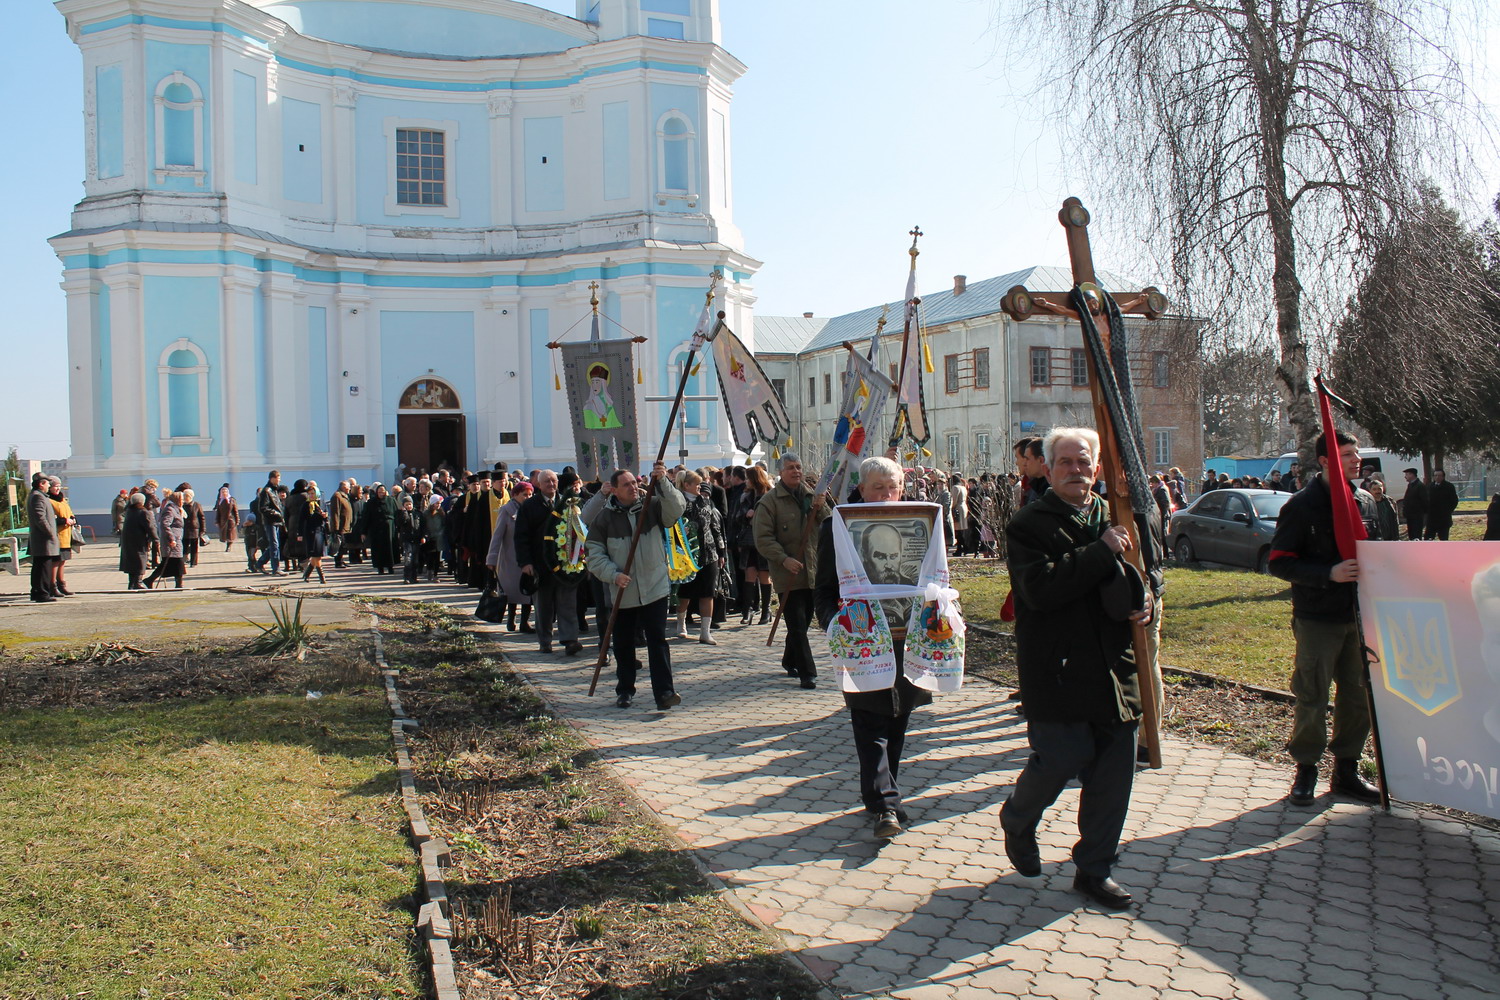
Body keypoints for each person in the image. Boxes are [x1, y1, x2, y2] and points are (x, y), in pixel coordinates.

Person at [1001, 427, 1152, 911]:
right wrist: (1100, 550)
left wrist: (1148, 600)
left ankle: (1094, 869)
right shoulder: (1029, 524)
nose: (1075, 470)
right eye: (1065, 462)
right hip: (1058, 669)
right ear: (1048, 470)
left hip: (1115, 670)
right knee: (1061, 759)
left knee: (1113, 777)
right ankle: (1018, 818)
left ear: (1097, 469)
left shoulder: (1120, 514)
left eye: (1083, 461)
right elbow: (1040, 590)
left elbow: (1148, 572)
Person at [815, 456, 933, 840]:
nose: (886, 494)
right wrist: (836, 625)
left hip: (907, 639)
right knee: (870, 721)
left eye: (892, 486)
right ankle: (886, 805)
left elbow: (936, 577)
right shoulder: (837, 527)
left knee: (897, 718)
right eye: (877, 487)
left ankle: (879, 794)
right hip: (861, 641)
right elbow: (825, 589)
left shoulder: (923, 525)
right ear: (862, 489)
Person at [1268, 429, 1382, 808]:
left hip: (1360, 615)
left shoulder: (1365, 501)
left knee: (1358, 695)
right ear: (1325, 461)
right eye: (1347, 454)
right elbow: (1280, 563)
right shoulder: (1302, 506)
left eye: (1356, 454)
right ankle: (1306, 769)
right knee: (1312, 695)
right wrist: (1328, 573)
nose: (1356, 461)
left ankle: (1347, 769)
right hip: (1318, 617)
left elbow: (1381, 551)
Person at [585, 462, 685, 710]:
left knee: (657, 641)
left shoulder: (652, 506)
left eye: (635, 482)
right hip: (623, 591)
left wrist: (663, 482)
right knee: (623, 643)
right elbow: (594, 554)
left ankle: (664, 692)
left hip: (655, 586)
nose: (633, 487)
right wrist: (613, 575)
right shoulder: (604, 519)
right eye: (626, 485)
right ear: (614, 490)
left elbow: (677, 508)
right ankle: (625, 690)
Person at [754, 453, 831, 689]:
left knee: (804, 622)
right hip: (788, 573)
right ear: (780, 472)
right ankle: (808, 673)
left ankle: (789, 659)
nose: (796, 471)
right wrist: (784, 559)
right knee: (796, 624)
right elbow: (763, 538)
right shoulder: (769, 502)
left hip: (813, 570)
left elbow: (830, 524)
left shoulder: (812, 496)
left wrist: (821, 507)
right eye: (790, 468)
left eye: (798, 467)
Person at [516, 470, 587, 656]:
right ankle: (545, 641)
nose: (551, 484)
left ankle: (570, 640)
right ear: (539, 484)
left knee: (567, 604)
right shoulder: (529, 506)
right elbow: (521, 537)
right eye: (547, 481)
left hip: (566, 564)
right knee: (544, 606)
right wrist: (525, 562)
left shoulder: (568, 503)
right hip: (541, 565)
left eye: (554, 480)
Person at [674, 470, 727, 645]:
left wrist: (721, 551)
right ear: (686, 485)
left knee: (708, 593)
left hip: (709, 553)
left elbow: (715, 527)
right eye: (696, 484)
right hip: (687, 554)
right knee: (685, 592)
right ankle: (681, 623)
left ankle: (705, 632)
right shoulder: (678, 503)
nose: (700, 487)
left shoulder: (706, 501)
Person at [485, 480, 534, 632]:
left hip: (527, 556)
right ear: (515, 495)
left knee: (528, 589)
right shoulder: (506, 510)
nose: (528, 497)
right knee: (511, 591)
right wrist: (492, 558)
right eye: (524, 494)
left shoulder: (531, 510)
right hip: (509, 557)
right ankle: (510, 620)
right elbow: (497, 536)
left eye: (530, 494)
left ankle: (524, 622)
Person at [738, 465, 774, 624]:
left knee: (765, 575)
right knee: (750, 574)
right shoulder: (745, 496)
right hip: (749, 541)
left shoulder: (769, 495)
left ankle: (766, 610)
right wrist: (746, 515)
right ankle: (748, 610)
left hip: (765, 540)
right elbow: (737, 517)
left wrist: (756, 514)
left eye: (748, 478)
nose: (746, 481)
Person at [27, 473, 60, 603]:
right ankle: (42, 593)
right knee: (43, 568)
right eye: (47, 484)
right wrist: (50, 532)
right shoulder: (38, 497)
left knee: (39, 567)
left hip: (42, 539)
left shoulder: (37, 496)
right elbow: (40, 518)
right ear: (41, 484)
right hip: (43, 540)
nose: (48, 486)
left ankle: (36, 592)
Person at [144, 491, 187, 589]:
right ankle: (178, 584)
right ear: (177, 500)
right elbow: (165, 524)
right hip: (171, 541)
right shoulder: (170, 509)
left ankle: (150, 580)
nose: (183, 501)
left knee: (173, 563)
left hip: (177, 539)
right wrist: (171, 539)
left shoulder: (176, 509)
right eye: (181, 499)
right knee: (175, 562)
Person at [47, 478, 79, 597]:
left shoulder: (62, 499)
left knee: (62, 561)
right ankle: (52, 586)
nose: (58, 488)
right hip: (57, 536)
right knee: (55, 562)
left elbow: (69, 512)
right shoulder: (49, 500)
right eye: (55, 486)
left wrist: (73, 519)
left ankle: (62, 585)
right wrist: (64, 521)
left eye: (59, 486)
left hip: (66, 536)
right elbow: (51, 519)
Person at [119, 492, 157, 590]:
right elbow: (150, 527)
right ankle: (138, 582)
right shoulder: (143, 512)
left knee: (132, 562)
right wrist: (156, 539)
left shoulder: (129, 511)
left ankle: (132, 583)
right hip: (139, 541)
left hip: (128, 541)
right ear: (142, 502)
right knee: (140, 561)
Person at [253, 471, 286, 575]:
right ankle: (276, 568)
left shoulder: (274, 490)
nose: (279, 480)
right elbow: (263, 508)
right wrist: (276, 514)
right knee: (274, 545)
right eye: (278, 478)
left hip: (277, 521)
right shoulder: (266, 491)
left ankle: (260, 563)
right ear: (272, 478)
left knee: (275, 545)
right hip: (270, 521)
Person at [298, 483, 330, 583]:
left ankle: (306, 574)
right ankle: (322, 577)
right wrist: (300, 534)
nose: (311, 495)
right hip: (311, 532)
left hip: (320, 531)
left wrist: (325, 516)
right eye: (309, 493)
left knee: (317, 554)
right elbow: (301, 520)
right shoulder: (306, 505)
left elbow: (326, 516)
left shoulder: (321, 503)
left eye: (313, 493)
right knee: (316, 554)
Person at [1427, 469, 1459, 540]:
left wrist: (1448, 511)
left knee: (1443, 539)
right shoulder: (1430, 486)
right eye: (1435, 475)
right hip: (1431, 519)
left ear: (1443, 477)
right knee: (1428, 538)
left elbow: (1454, 501)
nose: (1437, 477)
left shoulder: (1449, 486)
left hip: (1444, 519)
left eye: (1439, 475)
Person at [181, 488, 205, 568]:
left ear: (191, 496)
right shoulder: (182, 505)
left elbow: (201, 517)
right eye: (184, 496)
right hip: (184, 528)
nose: (186, 497)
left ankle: (193, 562)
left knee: (194, 546)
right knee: (184, 545)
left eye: (187, 496)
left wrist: (203, 529)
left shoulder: (196, 505)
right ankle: (184, 559)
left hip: (194, 528)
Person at [1401, 469, 1427, 540]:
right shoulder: (1410, 485)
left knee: (1416, 535)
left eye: (1407, 474)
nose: (1405, 477)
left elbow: (1424, 501)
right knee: (1411, 535)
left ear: (1412, 475)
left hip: (1417, 516)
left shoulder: (1420, 486)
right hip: (1410, 516)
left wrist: (1421, 512)